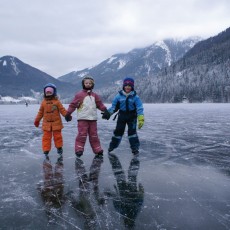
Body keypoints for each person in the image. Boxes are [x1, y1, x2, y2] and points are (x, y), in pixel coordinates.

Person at [65, 76, 110, 157]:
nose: (88, 84)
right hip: (82, 119)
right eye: (86, 83)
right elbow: (73, 105)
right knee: (82, 134)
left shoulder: (95, 95)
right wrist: (68, 113)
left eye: (90, 83)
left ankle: (97, 149)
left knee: (94, 135)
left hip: (93, 119)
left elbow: (99, 104)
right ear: (83, 84)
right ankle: (79, 149)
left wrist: (105, 110)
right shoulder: (79, 95)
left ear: (92, 85)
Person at [102, 77, 144, 154]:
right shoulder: (118, 96)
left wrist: (141, 118)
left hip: (132, 117)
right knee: (118, 131)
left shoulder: (135, 97)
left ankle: (135, 148)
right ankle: (112, 146)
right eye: (126, 85)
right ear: (123, 86)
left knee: (132, 133)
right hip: (122, 116)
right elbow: (114, 107)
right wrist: (108, 113)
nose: (127, 87)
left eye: (129, 85)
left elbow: (139, 108)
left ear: (132, 87)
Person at [34, 83, 71, 158]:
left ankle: (59, 147)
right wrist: (37, 120)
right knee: (46, 138)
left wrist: (67, 115)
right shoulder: (43, 102)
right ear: (45, 93)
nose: (48, 93)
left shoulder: (57, 102)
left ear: (54, 92)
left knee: (58, 137)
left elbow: (62, 110)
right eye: (47, 92)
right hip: (46, 124)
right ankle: (46, 150)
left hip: (56, 123)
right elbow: (40, 112)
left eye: (50, 92)